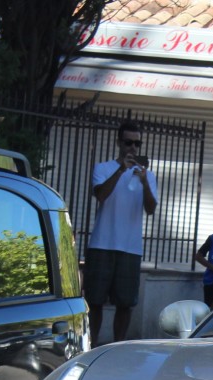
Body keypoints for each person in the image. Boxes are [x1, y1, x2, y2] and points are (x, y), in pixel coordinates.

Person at [86, 120, 158, 343]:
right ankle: (91, 344)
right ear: (119, 142)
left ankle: (117, 346)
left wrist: (145, 182)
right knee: (94, 301)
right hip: (102, 244)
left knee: (125, 304)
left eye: (137, 143)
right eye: (128, 142)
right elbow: (101, 195)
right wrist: (121, 169)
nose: (133, 148)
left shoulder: (148, 175)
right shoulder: (103, 168)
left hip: (130, 247)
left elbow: (151, 208)